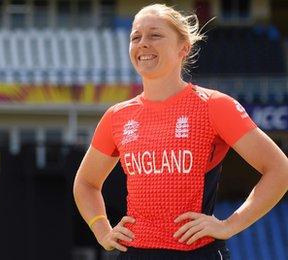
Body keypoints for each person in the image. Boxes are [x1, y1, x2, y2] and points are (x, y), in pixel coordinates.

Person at [73, 4, 288, 259]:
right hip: (134, 253)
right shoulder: (117, 117)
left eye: (155, 35)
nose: (142, 43)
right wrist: (102, 229)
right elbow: (86, 183)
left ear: (183, 48)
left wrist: (229, 225)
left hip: (198, 252)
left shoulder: (214, 106)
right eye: (135, 36)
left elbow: (280, 169)